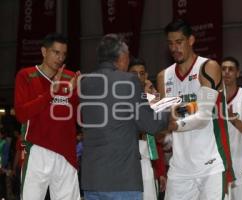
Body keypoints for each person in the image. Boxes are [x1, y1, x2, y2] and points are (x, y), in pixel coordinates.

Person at [80, 34, 172, 200]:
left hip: (92, 179)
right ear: (121, 57)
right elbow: (150, 124)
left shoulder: (85, 83)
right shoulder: (128, 81)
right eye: (128, 57)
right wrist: (167, 110)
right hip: (121, 179)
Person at [156, 19, 234, 200]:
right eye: (170, 43)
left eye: (179, 42)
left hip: (210, 164)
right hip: (179, 167)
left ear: (191, 40)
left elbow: (204, 115)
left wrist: (174, 123)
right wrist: (162, 133)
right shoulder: (163, 77)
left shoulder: (208, 67)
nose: (174, 48)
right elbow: (166, 120)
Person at [14, 33, 80, 200]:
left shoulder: (71, 77)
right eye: (56, 52)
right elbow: (21, 114)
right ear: (44, 51)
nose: (60, 58)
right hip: (37, 151)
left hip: (67, 154)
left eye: (64, 54)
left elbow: (80, 116)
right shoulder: (26, 75)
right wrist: (52, 92)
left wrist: (74, 94)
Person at [128, 57, 168, 200]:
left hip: (146, 163)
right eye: (134, 73)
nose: (138, 77)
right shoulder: (120, 97)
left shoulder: (153, 97)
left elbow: (158, 135)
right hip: (126, 163)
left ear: (146, 75)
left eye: (142, 73)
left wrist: (160, 170)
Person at [221, 57, 242, 200]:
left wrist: (233, 119)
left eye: (231, 69)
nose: (226, 72)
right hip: (219, 165)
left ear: (238, 73)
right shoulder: (212, 97)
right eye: (223, 69)